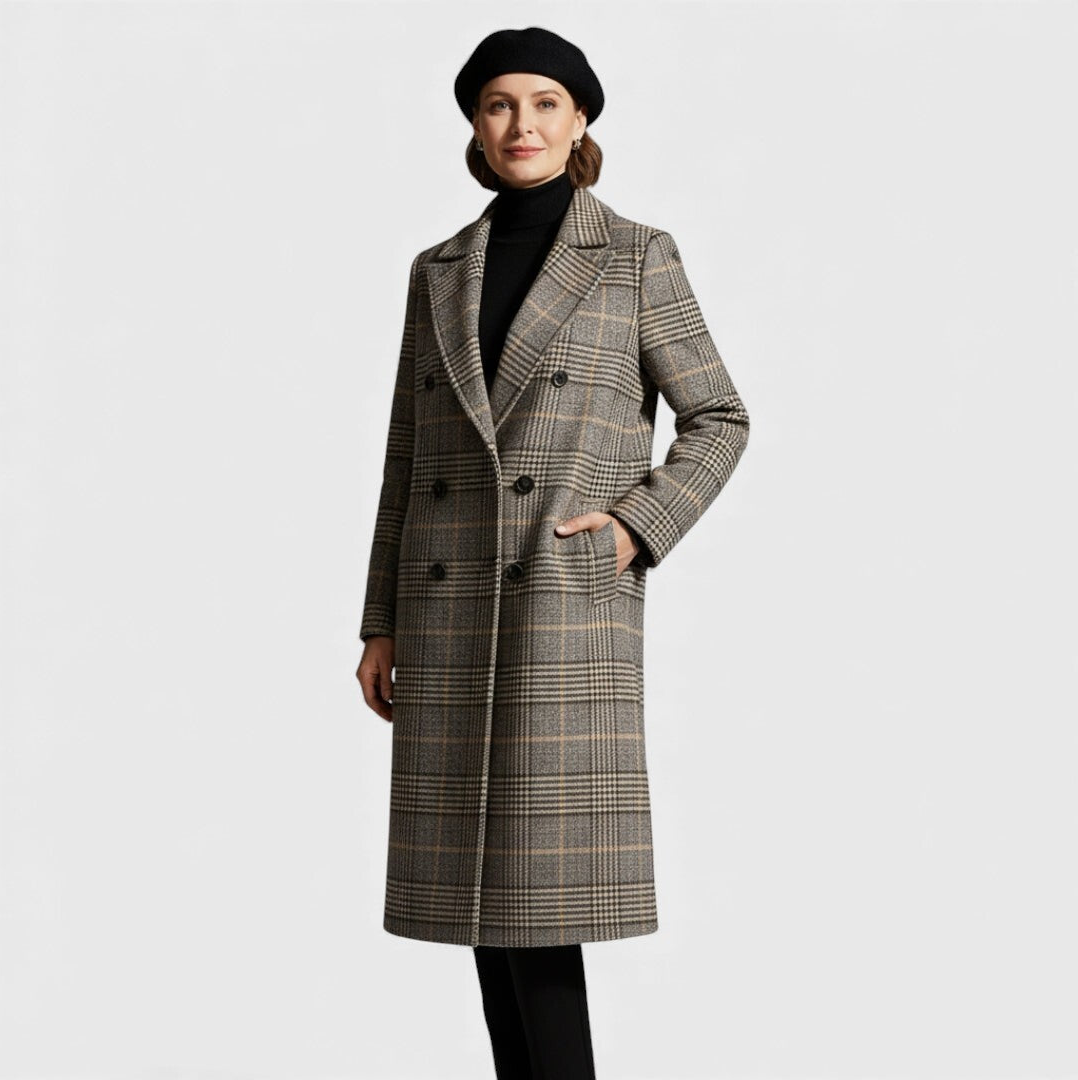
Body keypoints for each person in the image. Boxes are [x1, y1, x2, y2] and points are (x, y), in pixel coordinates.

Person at [356, 26, 750, 1079]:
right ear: (475, 126)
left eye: (543, 103)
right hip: (446, 610)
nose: (520, 124)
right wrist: (381, 621)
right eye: (498, 104)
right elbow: (407, 456)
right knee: (483, 911)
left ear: (580, 122)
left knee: (537, 910)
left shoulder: (635, 255)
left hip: (559, 605)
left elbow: (719, 418)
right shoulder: (438, 270)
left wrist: (634, 527)